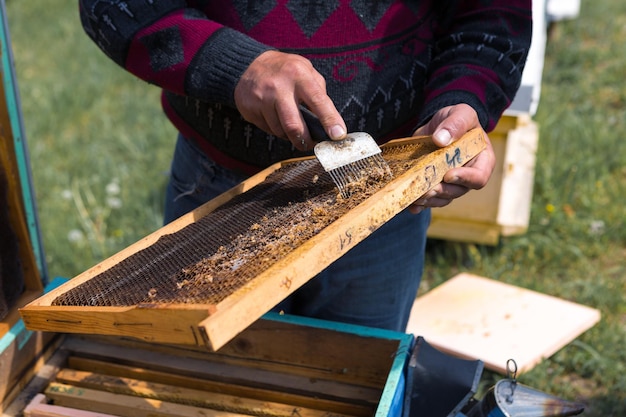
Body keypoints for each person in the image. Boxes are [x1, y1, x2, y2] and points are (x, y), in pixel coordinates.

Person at [78, 1, 532, 332]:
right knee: (211, 383)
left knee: (356, 381)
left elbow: (492, 13)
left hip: (387, 188)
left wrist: (465, 95)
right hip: (220, 187)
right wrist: (234, 64)